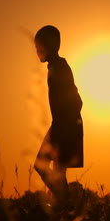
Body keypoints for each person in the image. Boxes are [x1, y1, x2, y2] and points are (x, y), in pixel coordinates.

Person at [33, 25, 83, 205]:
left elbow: (77, 100)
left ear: (51, 45)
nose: (37, 50)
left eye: (39, 45)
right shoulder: (55, 67)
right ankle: (65, 205)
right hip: (61, 124)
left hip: (65, 125)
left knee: (45, 166)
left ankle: (66, 203)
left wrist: (65, 125)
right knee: (54, 170)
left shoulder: (60, 67)